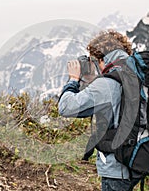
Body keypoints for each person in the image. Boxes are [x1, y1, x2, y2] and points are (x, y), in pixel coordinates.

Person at [58, 30, 136, 191]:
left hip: (116, 168)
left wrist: (73, 79)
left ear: (101, 59)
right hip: (138, 160)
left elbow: (65, 107)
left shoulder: (107, 84)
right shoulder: (136, 73)